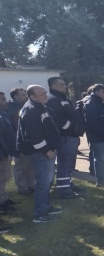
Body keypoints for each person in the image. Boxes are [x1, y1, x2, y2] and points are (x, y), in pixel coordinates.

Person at [17, 85, 63, 223]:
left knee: (47, 181)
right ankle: (39, 214)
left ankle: (46, 206)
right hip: (40, 153)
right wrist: (46, 150)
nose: (45, 95)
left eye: (45, 92)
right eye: (42, 93)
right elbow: (33, 136)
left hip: (45, 151)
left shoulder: (39, 106)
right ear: (33, 97)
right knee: (43, 182)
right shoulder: (31, 110)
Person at [46, 77, 86, 199]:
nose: (65, 86)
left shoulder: (62, 97)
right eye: (62, 84)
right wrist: (74, 128)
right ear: (53, 85)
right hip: (65, 136)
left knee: (69, 163)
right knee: (65, 162)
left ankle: (67, 183)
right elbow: (59, 120)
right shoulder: (53, 99)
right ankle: (64, 190)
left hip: (71, 136)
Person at [83, 84, 104, 188]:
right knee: (100, 159)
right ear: (97, 92)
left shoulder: (101, 103)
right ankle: (101, 181)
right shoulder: (90, 103)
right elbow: (91, 122)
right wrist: (102, 132)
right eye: (103, 92)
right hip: (98, 138)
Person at [6, 88, 34, 195]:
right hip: (19, 142)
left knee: (31, 165)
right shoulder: (11, 109)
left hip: (29, 141)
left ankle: (31, 185)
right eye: (22, 95)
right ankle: (22, 187)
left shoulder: (27, 106)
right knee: (21, 166)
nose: (26, 96)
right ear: (16, 97)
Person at [0, 92, 19, 214]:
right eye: (3, 99)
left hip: (6, 153)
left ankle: (4, 200)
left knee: (4, 178)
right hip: (2, 154)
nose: (6, 101)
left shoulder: (3, 115)